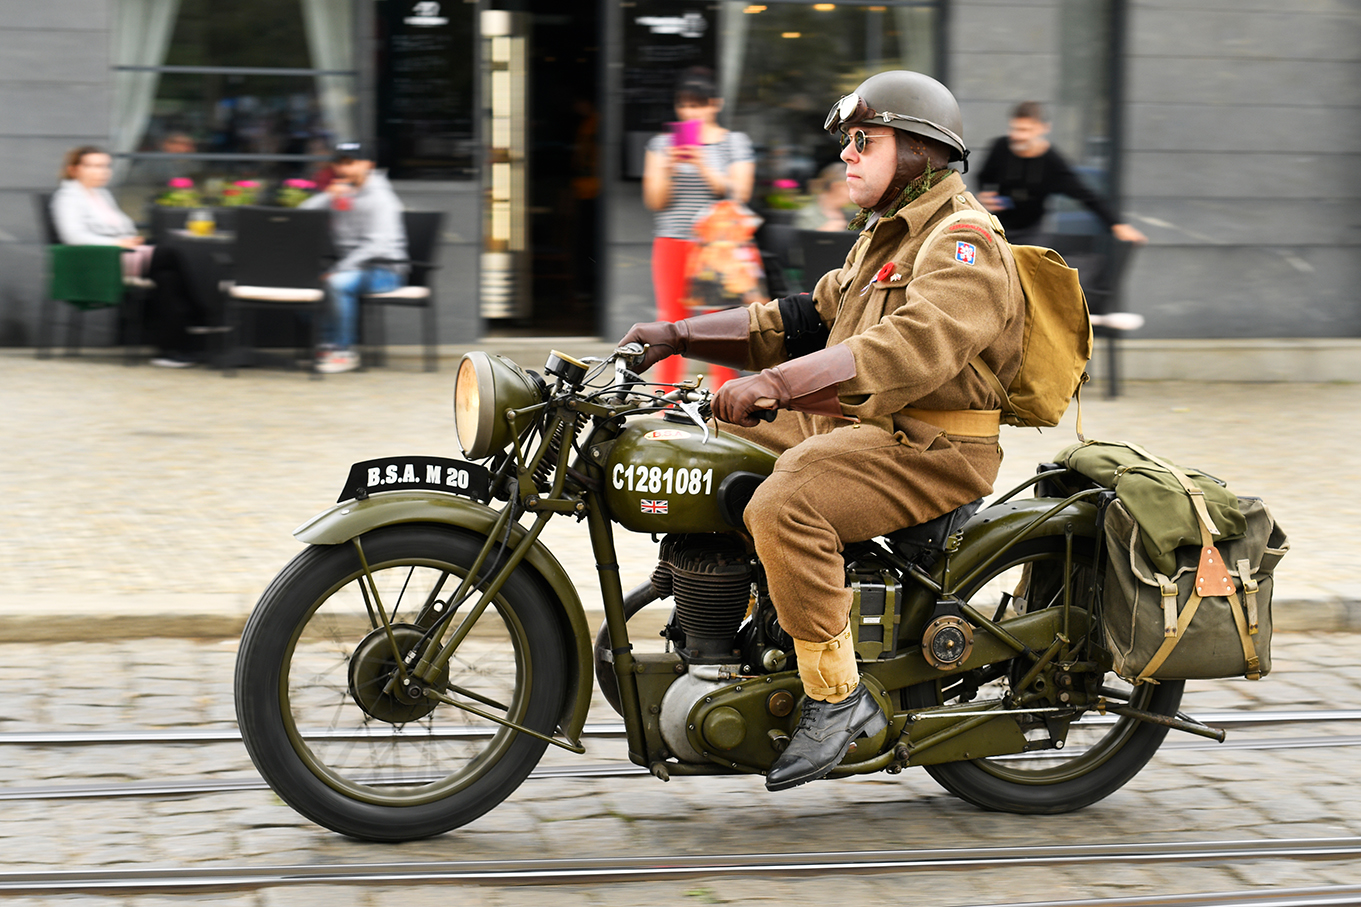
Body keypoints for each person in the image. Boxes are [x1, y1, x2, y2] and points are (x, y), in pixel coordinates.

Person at [621, 71, 1026, 791]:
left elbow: (905, 348)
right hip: (865, 423)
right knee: (691, 448)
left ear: (918, 152)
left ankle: (837, 695)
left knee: (787, 503)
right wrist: (674, 332)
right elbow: (798, 321)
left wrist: (776, 385)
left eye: (864, 141)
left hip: (932, 445)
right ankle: (720, 612)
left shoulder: (964, 242)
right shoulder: (888, 238)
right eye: (848, 142)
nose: (846, 154)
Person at [641, 66, 755, 389]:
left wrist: (703, 164)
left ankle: (726, 407)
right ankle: (665, 405)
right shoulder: (662, 145)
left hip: (720, 246)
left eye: (699, 104)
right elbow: (655, 200)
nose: (692, 112)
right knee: (670, 325)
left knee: (722, 329)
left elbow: (740, 192)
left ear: (715, 104)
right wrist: (669, 168)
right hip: (672, 244)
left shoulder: (734, 142)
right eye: (686, 105)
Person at [50, 145, 207, 367]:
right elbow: (73, 237)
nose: (102, 171)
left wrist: (130, 239)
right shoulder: (67, 197)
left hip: (124, 254)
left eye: (106, 166)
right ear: (74, 169)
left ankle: (174, 350)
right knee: (171, 253)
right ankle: (199, 314)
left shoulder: (102, 194)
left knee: (167, 279)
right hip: (100, 261)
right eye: (94, 166)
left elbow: (124, 227)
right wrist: (117, 242)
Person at [975, 101, 1147, 247]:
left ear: (1044, 129)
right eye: (1015, 129)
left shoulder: (1053, 164)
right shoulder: (1000, 148)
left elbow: (1087, 196)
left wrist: (1117, 225)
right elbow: (982, 176)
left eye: (1025, 130)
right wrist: (985, 194)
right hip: (997, 227)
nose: (1018, 136)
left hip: (1032, 233)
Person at [301, 140, 408, 374]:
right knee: (303, 280)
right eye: (339, 163)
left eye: (350, 163)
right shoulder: (342, 192)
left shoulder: (382, 199)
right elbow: (302, 214)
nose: (343, 169)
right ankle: (327, 346)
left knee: (337, 282)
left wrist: (340, 268)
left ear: (368, 164)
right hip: (351, 267)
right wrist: (327, 196)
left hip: (385, 269)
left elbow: (377, 244)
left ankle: (344, 352)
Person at [793, 162, 854, 232]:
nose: (852, 193)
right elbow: (802, 240)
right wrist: (823, 232)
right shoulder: (807, 215)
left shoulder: (850, 214)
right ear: (836, 186)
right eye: (849, 188)